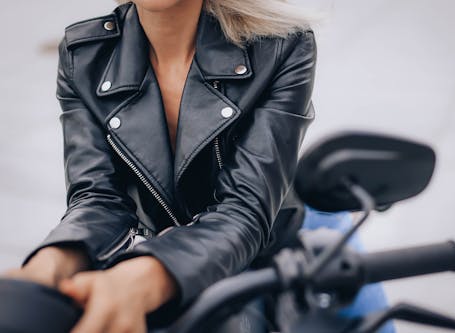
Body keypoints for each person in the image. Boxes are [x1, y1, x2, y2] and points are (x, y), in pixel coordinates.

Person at [6, 0, 316, 332]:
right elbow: (98, 198)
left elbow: (244, 209)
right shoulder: (83, 55)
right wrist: (51, 264)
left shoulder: (283, 45)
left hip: (261, 251)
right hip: (165, 254)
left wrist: (143, 278)